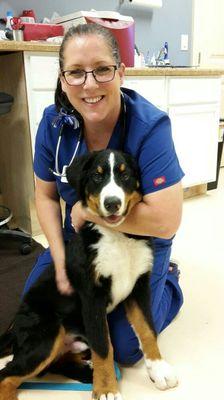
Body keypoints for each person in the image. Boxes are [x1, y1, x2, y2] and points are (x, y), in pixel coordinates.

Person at [23, 23, 184, 366]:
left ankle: (168, 283)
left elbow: (167, 221)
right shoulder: (53, 123)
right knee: (37, 312)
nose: (90, 84)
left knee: (126, 349)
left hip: (140, 240)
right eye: (76, 73)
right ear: (63, 78)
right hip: (84, 240)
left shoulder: (149, 126)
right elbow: (47, 196)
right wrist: (61, 258)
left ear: (121, 72)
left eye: (102, 70)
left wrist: (88, 210)